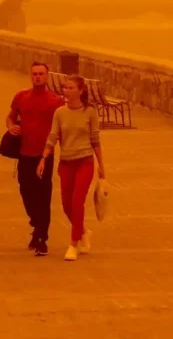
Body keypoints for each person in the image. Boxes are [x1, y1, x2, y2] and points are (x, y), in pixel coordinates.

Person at [38, 75, 106, 261]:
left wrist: (101, 164)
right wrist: (44, 157)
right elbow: (53, 136)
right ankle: (83, 231)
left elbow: (95, 139)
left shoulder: (90, 112)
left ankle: (73, 244)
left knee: (77, 202)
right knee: (67, 205)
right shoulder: (60, 112)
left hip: (84, 161)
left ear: (80, 91)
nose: (66, 91)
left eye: (70, 88)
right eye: (64, 87)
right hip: (66, 162)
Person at [6, 62, 64, 255]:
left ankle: (41, 237)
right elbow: (10, 117)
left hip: (45, 155)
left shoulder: (56, 101)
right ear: (30, 76)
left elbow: (62, 128)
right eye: (34, 74)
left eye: (41, 74)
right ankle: (36, 223)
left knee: (43, 196)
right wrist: (11, 126)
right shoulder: (21, 97)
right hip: (24, 154)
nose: (38, 77)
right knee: (25, 191)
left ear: (47, 76)